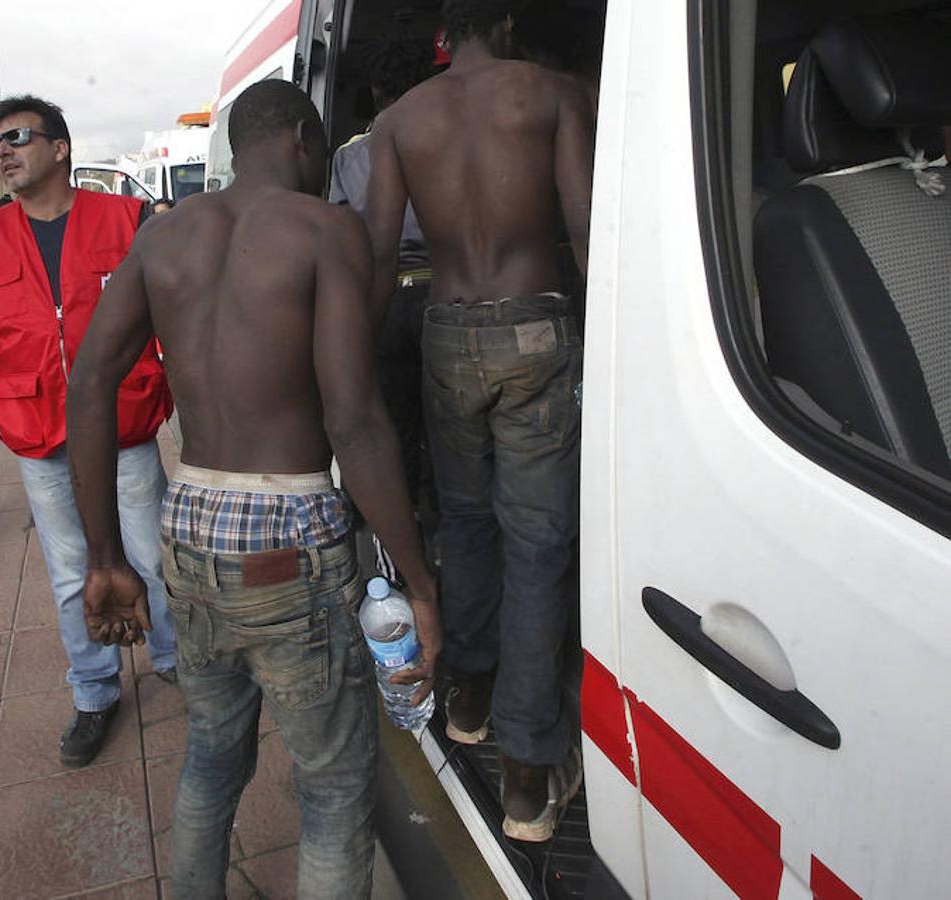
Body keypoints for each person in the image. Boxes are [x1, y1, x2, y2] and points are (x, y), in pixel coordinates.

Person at [65, 79, 440, 899]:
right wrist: (419, 582)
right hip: (291, 537)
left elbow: (88, 380)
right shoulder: (324, 230)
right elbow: (354, 421)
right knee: (335, 788)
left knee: (210, 750)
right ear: (304, 141)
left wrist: (103, 557)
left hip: (190, 527)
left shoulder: (162, 237)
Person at [365, 0, 595, 842]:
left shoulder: (400, 120)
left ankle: (468, 698)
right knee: (536, 543)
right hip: (537, 319)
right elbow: (583, 224)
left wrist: (355, 375)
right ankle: (528, 780)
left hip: (446, 329)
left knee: (463, 520)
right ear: (501, 22)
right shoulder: (553, 93)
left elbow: (381, 258)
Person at [0, 95, 178, 769]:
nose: (3, 152)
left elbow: (174, 315)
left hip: (124, 427)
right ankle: (95, 691)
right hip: (40, 433)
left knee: (154, 556)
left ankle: (173, 659)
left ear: (61, 148)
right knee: (71, 570)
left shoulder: (127, 219)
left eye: (17, 137)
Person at [328, 35, 438, 582]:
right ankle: (442, 548)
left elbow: (342, 234)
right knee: (448, 438)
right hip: (445, 297)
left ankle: (395, 565)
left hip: (384, 299)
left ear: (375, 90)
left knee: (391, 435)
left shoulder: (350, 153)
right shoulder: (447, 133)